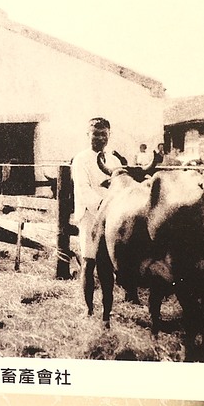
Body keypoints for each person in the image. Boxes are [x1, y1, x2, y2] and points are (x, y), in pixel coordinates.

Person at [71, 117, 120, 326]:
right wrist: (102, 206)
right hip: (90, 216)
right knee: (89, 262)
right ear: (87, 135)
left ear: (109, 135)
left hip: (112, 219)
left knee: (107, 265)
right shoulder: (80, 160)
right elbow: (83, 189)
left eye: (103, 134)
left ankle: (107, 314)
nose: (100, 138)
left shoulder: (115, 161)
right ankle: (89, 309)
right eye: (95, 134)